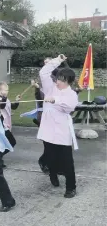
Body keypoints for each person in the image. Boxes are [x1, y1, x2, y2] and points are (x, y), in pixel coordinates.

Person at [37, 55, 78, 198]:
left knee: (67, 161)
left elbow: (69, 106)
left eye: (62, 80)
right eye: (58, 78)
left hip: (61, 131)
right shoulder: (50, 87)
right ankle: (52, 174)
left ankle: (71, 187)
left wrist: (55, 99)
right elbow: (44, 73)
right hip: (48, 130)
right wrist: (57, 60)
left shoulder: (72, 94)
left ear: (69, 82)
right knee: (50, 158)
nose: (59, 81)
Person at [0, 82, 20, 163]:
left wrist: (16, 101)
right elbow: (1, 106)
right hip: (2, 126)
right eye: (5, 90)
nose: (7, 91)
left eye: (7, 90)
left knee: (7, 144)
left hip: (7, 125)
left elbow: (12, 107)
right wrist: (5, 97)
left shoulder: (5, 98)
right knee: (11, 142)